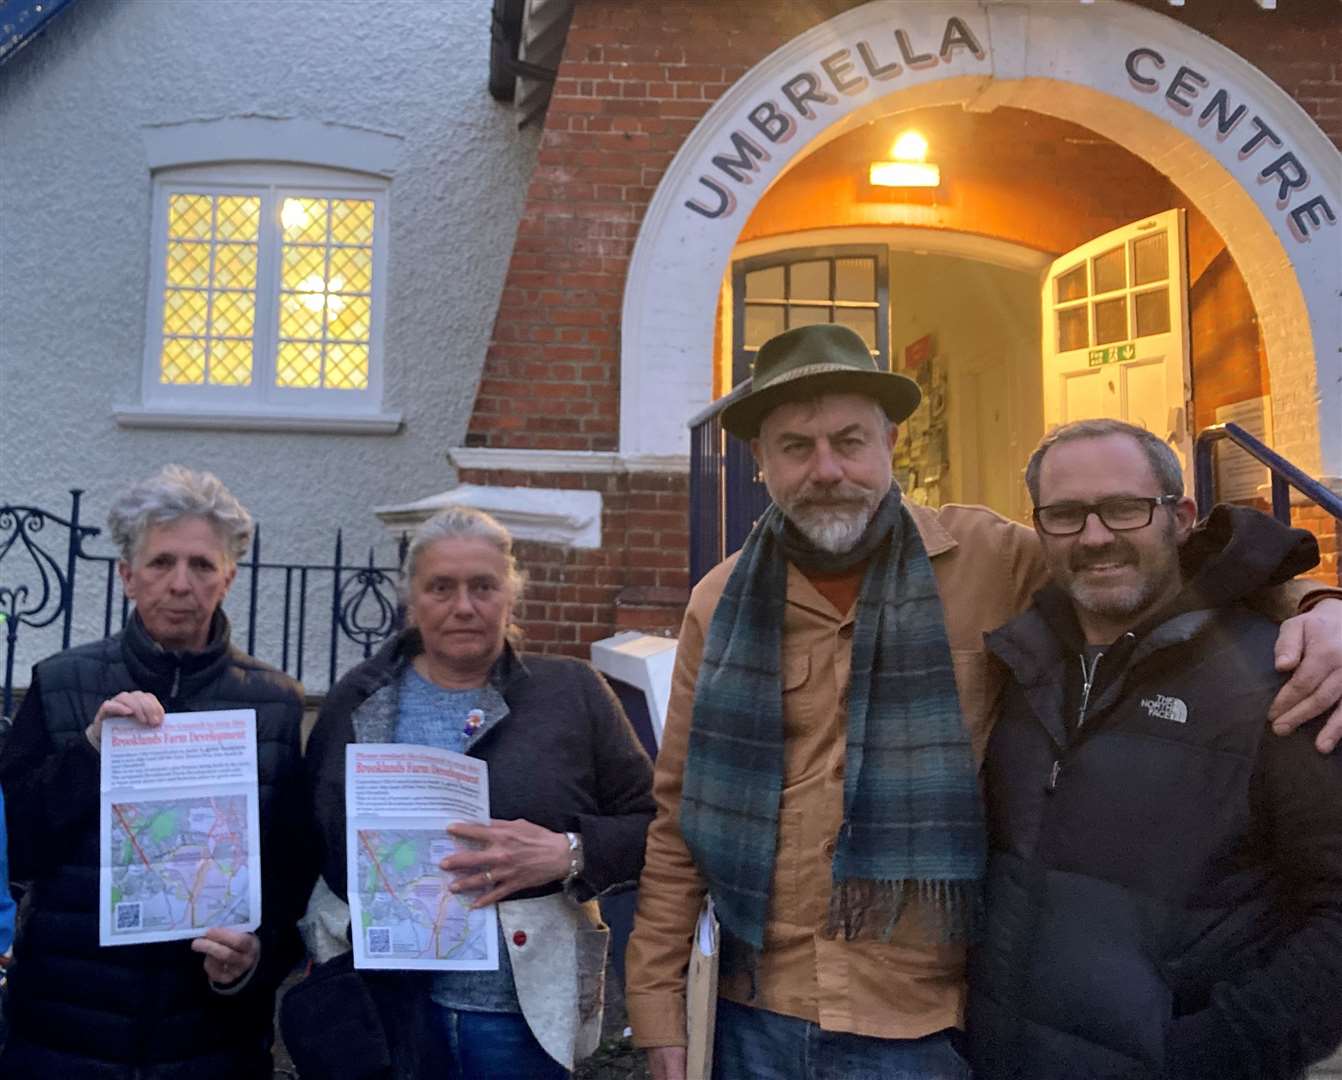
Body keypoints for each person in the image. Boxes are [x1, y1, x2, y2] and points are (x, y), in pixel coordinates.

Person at [624, 324, 1342, 1080]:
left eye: (849, 440)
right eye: (796, 447)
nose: (826, 468)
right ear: (762, 462)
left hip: (930, 1028)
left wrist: (1315, 602)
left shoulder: (991, 560)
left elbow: (1154, 567)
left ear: (890, 444)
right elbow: (680, 818)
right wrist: (657, 1009)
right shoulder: (720, 603)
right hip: (754, 1014)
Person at [967, 419, 1342, 1079]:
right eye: (1066, 515)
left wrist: (1216, 1052)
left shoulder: (1284, 677)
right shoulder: (1019, 668)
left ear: (1182, 515)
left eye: (1123, 509)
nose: (1095, 536)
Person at [303, 504, 655, 1080]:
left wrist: (568, 852)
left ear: (511, 594)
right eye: (441, 587)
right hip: (381, 1013)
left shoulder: (572, 693)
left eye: (483, 586)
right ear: (410, 598)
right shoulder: (356, 700)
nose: (463, 606)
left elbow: (652, 822)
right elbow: (304, 833)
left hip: (518, 1014)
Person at [0, 466, 313, 1078]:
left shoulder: (275, 702)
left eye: (201, 565)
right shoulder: (61, 681)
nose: (179, 583)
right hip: (64, 1032)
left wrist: (254, 960)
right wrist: (91, 752)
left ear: (227, 577)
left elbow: (292, 873)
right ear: (126, 576)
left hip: (207, 1040)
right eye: (161, 563)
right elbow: (20, 847)